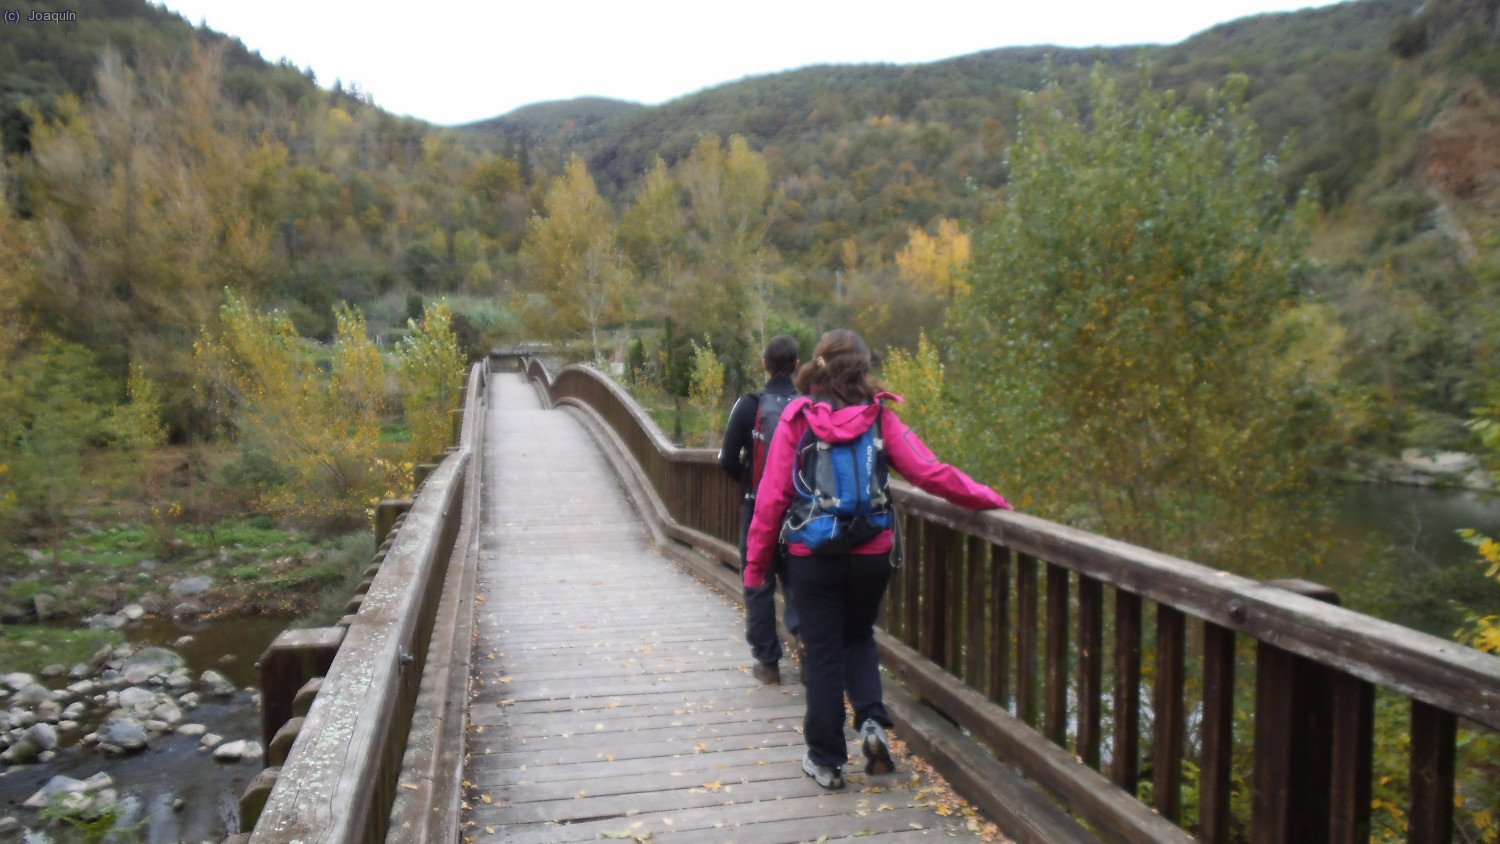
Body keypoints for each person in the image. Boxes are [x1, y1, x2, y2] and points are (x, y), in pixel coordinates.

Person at [744, 329, 1012, 790]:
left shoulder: (797, 417)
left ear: (819, 366)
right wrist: (990, 499)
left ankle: (826, 761)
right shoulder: (878, 416)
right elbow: (929, 471)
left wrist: (755, 567)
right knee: (859, 637)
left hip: (813, 554)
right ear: (863, 368)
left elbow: (771, 499)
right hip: (871, 552)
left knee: (824, 653)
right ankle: (871, 722)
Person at [718, 335, 802, 685]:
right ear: (797, 366)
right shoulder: (809, 407)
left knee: (759, 582)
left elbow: (726, 459)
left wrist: (750, 487)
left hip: (759, 508)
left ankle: (768, 664)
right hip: (802, 511)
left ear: (765, 366)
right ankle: (810, 652)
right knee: (799, 582)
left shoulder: (748, 405)